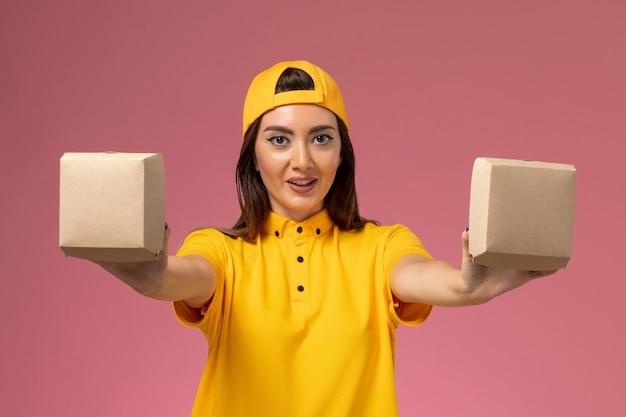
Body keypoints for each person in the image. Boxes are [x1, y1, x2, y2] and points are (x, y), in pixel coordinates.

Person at [96, 60, 557, 417]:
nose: (303, 161)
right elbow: (186, 276)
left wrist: (467, 287)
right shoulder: (221, 252)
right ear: (253, 157)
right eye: (279, 140)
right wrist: (156, 277)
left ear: (342, 155)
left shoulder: (380, 247)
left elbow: (419, 276)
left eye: (320, 138)